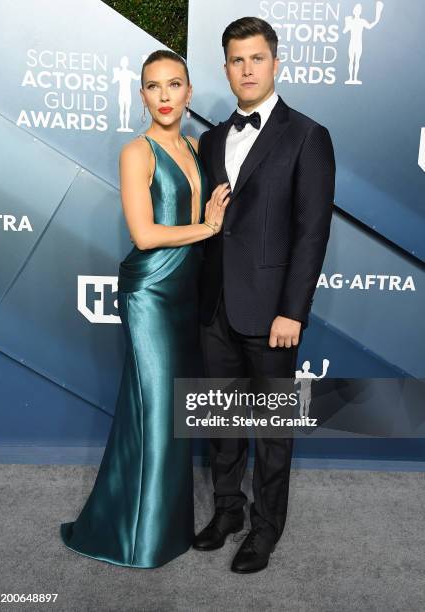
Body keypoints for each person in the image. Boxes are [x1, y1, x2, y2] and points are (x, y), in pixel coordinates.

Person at [60, 50, 230, 569]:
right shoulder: (138, 152)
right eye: (153, 87)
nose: (163, 96)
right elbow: (145, 233)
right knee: (156, 409)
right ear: (141, 95)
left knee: (171, 411)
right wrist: (208, 227)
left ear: (188, 92)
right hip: (150, 291)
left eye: (173, 84)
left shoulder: (196, 145)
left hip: (187, 291)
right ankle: (137, 538)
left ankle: (164, 525)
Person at [194, 17, 336, 573]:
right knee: (220, 422)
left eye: (256, 58)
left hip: (273, 312)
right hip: (215, 308)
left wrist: (291, 311)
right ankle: (227, 510)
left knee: (273, 432)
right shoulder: (209, 139)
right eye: (236, 59)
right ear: (225, 67)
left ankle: (265, 530)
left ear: (276, 63)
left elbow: (311, 231)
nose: (246, 69)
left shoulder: (307, 135)